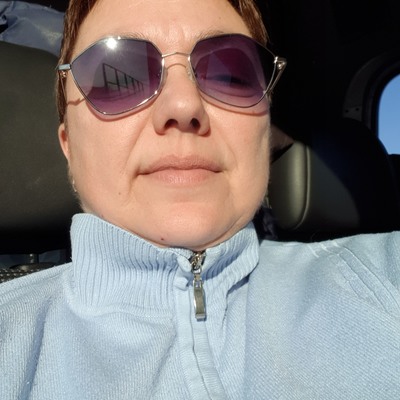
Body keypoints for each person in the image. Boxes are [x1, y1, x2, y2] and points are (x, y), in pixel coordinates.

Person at [0, 0, 400, 399]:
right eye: (118, 76)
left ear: (264, 129)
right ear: (69, 145)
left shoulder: (379, 279)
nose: (183, 105)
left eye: (230, 75)